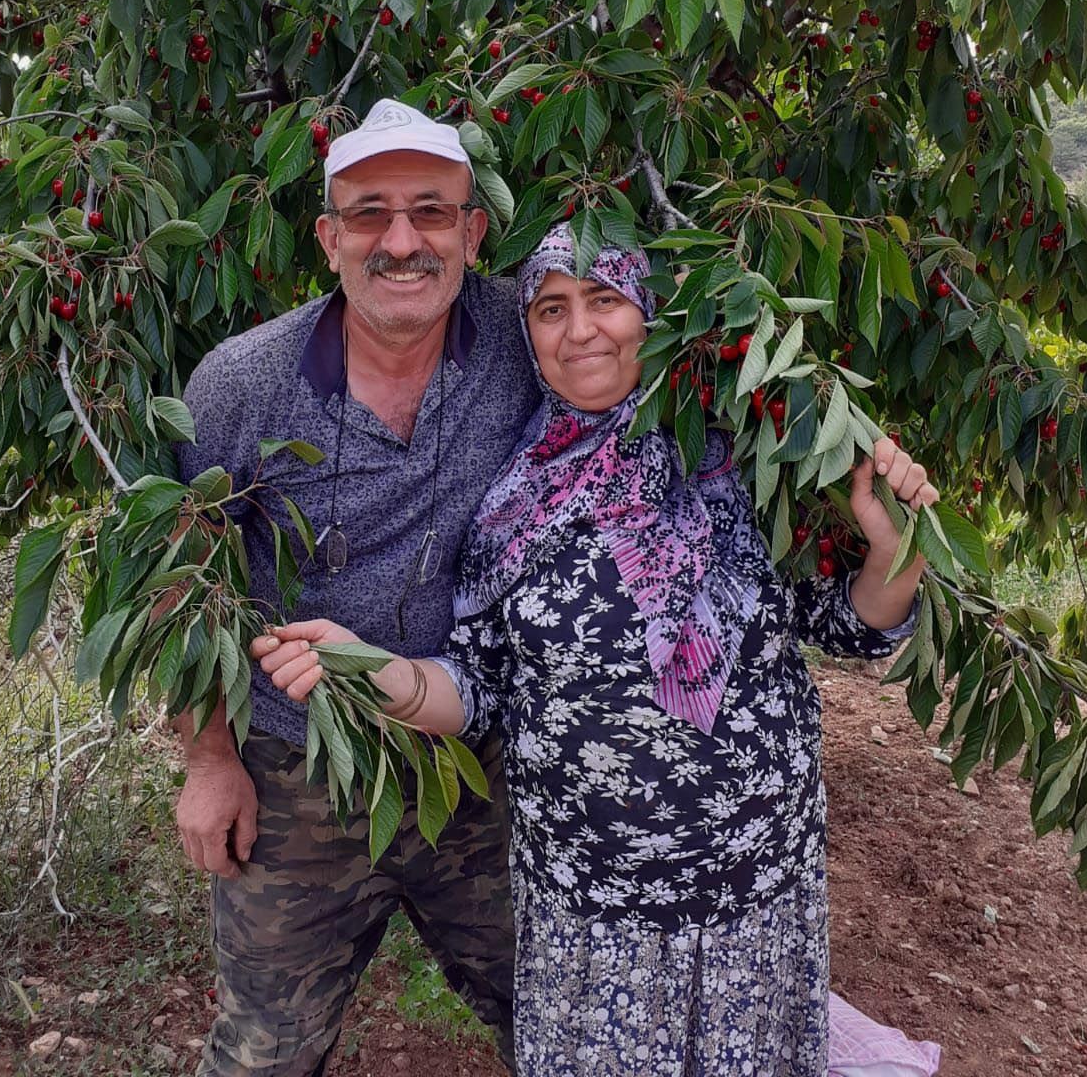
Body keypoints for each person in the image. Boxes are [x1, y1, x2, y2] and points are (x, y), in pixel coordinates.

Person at [253, 227, 935, 1077]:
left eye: (605, 299)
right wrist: (369, 669)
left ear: (652, 314)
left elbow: (847, 626)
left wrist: (892, 551)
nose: (579, 331)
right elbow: (477, 688)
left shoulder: (737, 457)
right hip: (593, 917)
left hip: (755, 899)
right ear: (528, 332)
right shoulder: (511, 497)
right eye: (550, 308)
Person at [173, 98, 541, 1077]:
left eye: (431, 210)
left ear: (473, 230)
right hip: (299, 776)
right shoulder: (242, 384)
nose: (403, 239)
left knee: (553, 1012)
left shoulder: (532, 339)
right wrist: (211, 759)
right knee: (267, 1048)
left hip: (477, 765)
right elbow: (185, 580)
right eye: (371, 213)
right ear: (330, 238)